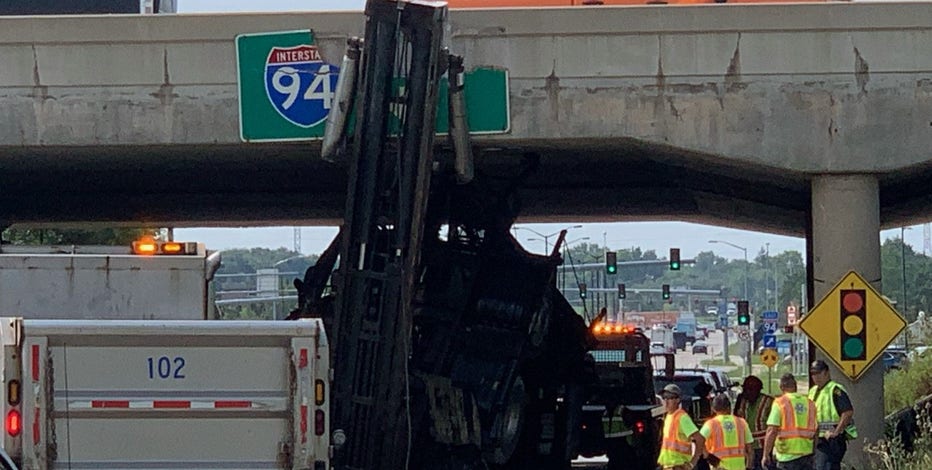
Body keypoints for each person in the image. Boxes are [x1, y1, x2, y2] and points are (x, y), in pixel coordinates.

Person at [807, 360, 857, 470]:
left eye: (819, 373)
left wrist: (836, 432)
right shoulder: (812, 391)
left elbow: (847, 412)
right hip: (818, 439)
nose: (816, 377)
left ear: (827, 373)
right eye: (813, 374)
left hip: (832, 440)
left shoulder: (835, 390)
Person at [763, 373, 817, 470]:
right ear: (795, 386)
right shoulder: (810, 403)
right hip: (806, 456)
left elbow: (772, 430)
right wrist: (814, 451)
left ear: (781, 387)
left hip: (787, 457)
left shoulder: (780, 403)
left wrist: (766, 454)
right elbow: (816, 429)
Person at [658, 384, 706, 470]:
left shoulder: (682, 418)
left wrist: (693, 462)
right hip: (668, 466)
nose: (666, 400)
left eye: (669, 397)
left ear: (678, 400)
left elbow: (700, 439)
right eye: (664, 397)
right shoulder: (668, 416)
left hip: (678, 466)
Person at [700, 394, 753, 470]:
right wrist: (749, 467)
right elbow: (750, 449)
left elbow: (698, 441)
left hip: (719, 468)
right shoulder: (741, 423)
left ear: (713, 409)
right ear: (729, 408)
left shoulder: (711, 424)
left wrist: (708, 456)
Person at [734, 376, 775, 470]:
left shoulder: (769, 401)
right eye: (745, 390)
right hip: (746, 446)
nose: (746, 393)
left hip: (762, 445)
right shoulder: (741, 400)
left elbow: (774, 426)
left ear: (757, 390)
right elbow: (736, 419)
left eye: (749, 390)